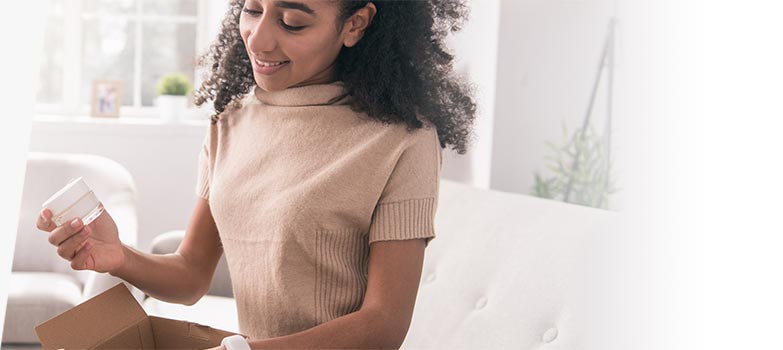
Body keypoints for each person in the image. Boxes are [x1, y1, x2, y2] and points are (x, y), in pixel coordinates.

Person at [37, 0, 476, 348]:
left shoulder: (403, 140)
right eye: (252, 9)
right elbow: (191, 274)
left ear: (355, 24)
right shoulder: (230, 121)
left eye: (291, 22)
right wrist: (119, 256)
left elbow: (384, 325)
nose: (259, 40)